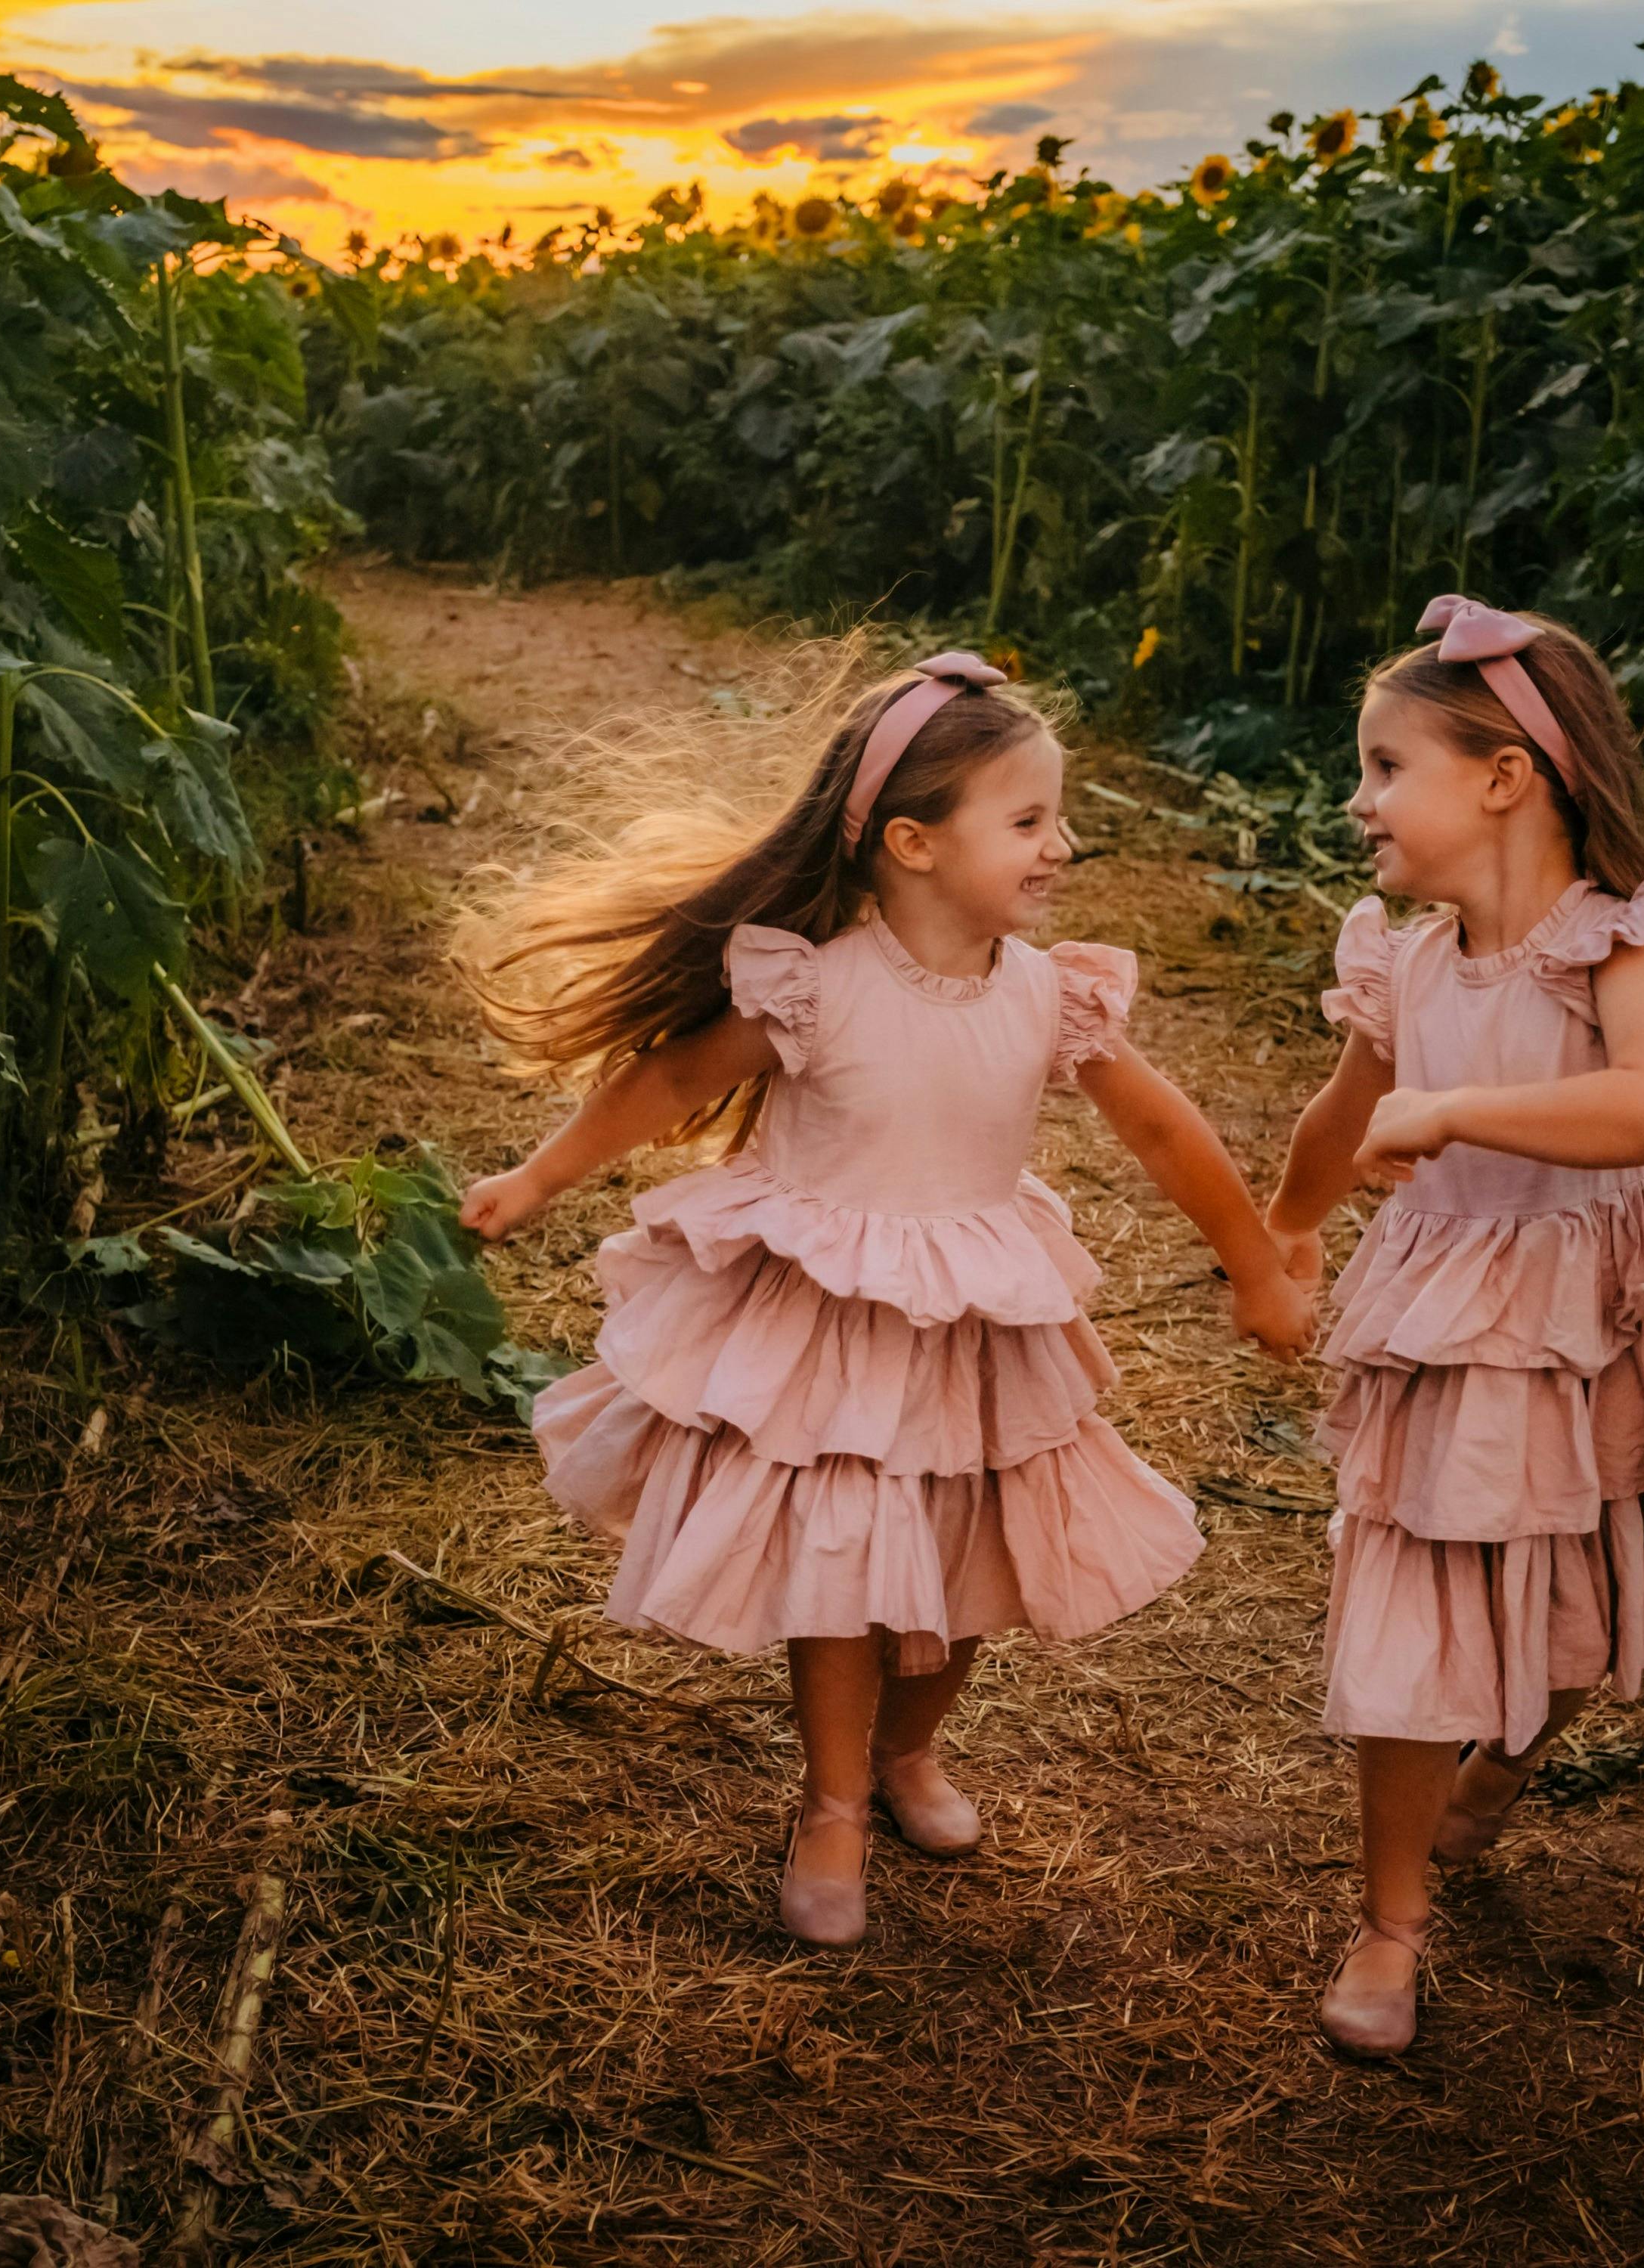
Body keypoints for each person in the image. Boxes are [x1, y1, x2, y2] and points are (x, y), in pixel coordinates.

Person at [458, 649, 1313, 1947]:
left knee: (970, 1553)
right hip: (837, 1317)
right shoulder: (818, 983)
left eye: (1058, 820)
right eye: (1028, 821)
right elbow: (669, 1084)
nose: (1061, 847)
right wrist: (538, 1175)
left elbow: (1157, 1127)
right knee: (849, 1558)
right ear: (913, 843)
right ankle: (834, 1800)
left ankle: (913, 1754)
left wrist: (1254, 1258)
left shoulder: (1045, 994)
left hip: (978, 1313)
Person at [1262, 596, 1644, 2057]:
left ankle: (1506, 1761)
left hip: (1607, 1307)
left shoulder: (1617, 941)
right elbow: (1346, 1111)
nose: (1358, 799)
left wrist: (1457, 1110)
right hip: (1461, 1316)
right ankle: (1390, 1925)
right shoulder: (1408, 959)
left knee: (1586, 1592)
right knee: (1419, 1601)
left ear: (1505, 776)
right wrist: (1293, 1226)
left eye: (1385, 767)